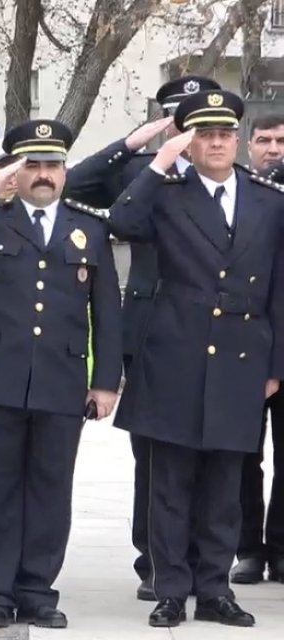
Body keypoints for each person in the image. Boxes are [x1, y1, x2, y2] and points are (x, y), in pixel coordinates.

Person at [0, 120, 123, 629]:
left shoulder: (89, 226)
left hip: (61, 376)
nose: (44, 174)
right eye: (32, 164)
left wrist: (104, 380)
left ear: (64, 171)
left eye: (52, 165)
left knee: (50, 488)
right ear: (15, 169)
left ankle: (37, 589)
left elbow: (107, 309)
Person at [108, 89, 284, 628]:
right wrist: (160, 161)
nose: (215, 143)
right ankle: (170, 589)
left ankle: (214, 590)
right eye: (204, 134)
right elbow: (122, 220)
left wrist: (275, 366)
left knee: (224, 486)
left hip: (240, 358)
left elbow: (279, 287)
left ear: (237, 138)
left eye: (224, 134)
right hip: (175, 354)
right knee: (170, 484)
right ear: (190, 140)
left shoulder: (269, 199)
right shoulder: (166, 191)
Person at [61, 74, 221, 602]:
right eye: (178, 115)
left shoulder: (227, 175)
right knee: (154, 457)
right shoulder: (135, 171)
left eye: (194, 116)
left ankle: (205, 560)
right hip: (151, 327)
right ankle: (154, 559)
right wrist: (134, 144)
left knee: (214, 451)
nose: (187, 126)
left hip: (214, 332)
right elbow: (76, 185)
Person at [234, 112, 284, 585]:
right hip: (244, 347)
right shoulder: (239, 198)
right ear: (249, 147)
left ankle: (282, 547)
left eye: (282, 141)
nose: (273, 149)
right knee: (244, 455)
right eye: (264, 140)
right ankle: (248, 547)